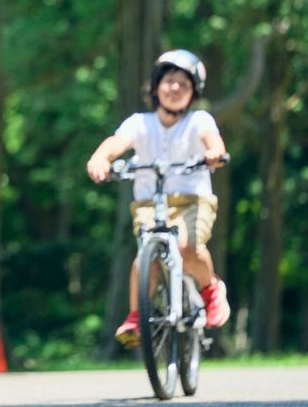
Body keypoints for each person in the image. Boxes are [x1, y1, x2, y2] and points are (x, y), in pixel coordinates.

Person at [85, 49, 231, 347]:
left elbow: (212, 139)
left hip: (193, 201)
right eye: (168, 82)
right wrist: (100, 158)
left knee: (188, 246)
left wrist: (214, 152)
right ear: (154, 86)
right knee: (144, 259)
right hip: (149, 204)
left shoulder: (198, 120)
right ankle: (139, 315)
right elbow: (116, 143)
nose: (175, 88)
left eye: (183, 84)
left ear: (194, 92)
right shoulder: (140, 123)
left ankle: (211, 288)